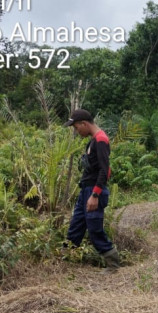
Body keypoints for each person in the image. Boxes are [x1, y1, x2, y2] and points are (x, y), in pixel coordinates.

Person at [64, 109, 121, 269]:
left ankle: (113, 264)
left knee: (94, 229)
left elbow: (105, 170)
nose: (76, 131)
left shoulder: (101, 140)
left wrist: (95, 194)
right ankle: (64, 260)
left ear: (84, 123)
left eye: (76, 127)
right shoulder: (94, 140)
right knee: (76, 226)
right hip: (86, 190)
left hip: (94, 191)